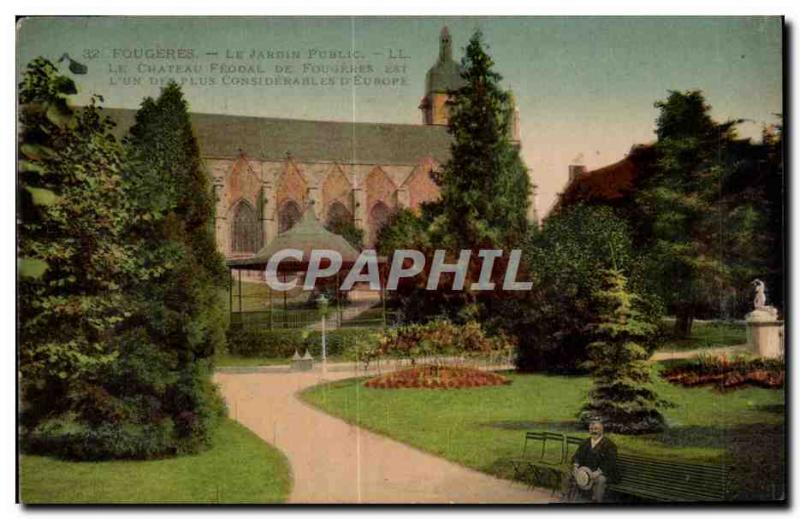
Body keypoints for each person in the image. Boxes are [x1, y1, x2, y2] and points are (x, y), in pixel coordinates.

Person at [565, 419, 619, 503]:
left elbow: (611, 462)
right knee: (570, 474)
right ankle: (568, 499)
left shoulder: (609, 445)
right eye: (591, 429)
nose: (593, 431)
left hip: (604, 473)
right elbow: (577, 456)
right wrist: (576, 466)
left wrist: (598, 472)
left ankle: (596, 501)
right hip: (587, 471)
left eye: (596, 429)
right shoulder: (585, 442)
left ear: (602, 430)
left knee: (600, 480)